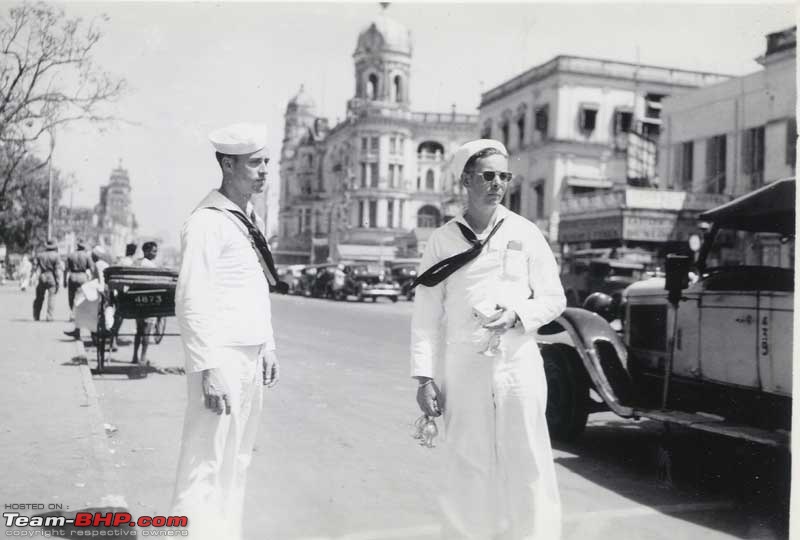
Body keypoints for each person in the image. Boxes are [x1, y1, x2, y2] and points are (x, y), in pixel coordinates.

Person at [410, 139, 566, 539]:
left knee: (528, 457)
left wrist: (518, 314)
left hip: (518, 361)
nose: (497, 184)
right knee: (467, 462)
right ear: (465, 180)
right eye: (487, 175)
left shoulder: (525, 232)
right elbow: (426, 315)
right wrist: (424, 377)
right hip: (465, 366)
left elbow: (553, 298)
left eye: (504, 176)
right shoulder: (443, 240)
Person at [171, 122, 281, 540]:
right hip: (221, 358)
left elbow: (254, 290)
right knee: (205, 461)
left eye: (267, 161)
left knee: (236, 461)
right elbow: (191, 299)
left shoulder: (244, 219)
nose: (265, 170)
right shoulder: (207, 221)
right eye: (255, 163)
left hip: (249, 357)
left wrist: (267, 344)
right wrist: (208, 367)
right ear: (227, 164)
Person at [132, 241, 158, 364]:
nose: (155, 254)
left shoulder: (136, 262)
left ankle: (134, 356)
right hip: (149, 301)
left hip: (136, 301)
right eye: (154, 251)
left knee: (139, 330)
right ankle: (143, 357)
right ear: (146, 251)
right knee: (147, 331)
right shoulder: (151, 266)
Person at [32, 240, 64, 321]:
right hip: (51, 277)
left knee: (39, 297)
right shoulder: (56, 256)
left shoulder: (40, 255)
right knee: (51, 297)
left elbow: (35, 267)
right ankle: (49, 316)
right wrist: (58, 282)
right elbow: (57, 271)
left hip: (42, 276)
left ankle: (36, 315)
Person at [64, 241, 94, 315]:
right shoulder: (87, 256)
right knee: (80, 296)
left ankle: (72, 312)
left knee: (71, 296)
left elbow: (65, 270)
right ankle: (76, 313)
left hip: (72, 276)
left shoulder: (71, 255)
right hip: (83, 277)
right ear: (84, 247)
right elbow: (92, 269)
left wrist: (64, 280)